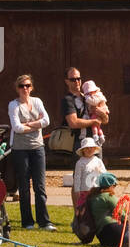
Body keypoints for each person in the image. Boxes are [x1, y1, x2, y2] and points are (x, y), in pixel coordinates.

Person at [7, 74, 55, 231]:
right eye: (21, 86)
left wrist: (28, 124)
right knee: (24, 187)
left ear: (31, 87)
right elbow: (17, 128)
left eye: (27, 85)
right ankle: (27, 222)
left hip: (38, 148)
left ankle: (44, 221)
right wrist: (37, 124)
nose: (25, 88)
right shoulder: (13, 105)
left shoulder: (37, 101)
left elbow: (46, 121)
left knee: (40, 186)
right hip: (20, 150)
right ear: (17, 88)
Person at [60, 67, 99, 150]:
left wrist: (102, 113)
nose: (77, 82)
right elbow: (73, 123)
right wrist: (94, 122)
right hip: (79, 143)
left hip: (95, 141)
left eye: (78, 78)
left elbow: (105, 119)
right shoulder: (67, 100)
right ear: (67, 81)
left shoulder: (89, 97)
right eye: (73, 80)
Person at [72, 137, 105, 209]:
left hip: (96, 190)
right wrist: (77, 191)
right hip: (84, 191)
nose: (89, 150)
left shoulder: (98, 161)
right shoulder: (80, 163)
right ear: (83, 150)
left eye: (91, 147)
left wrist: (100, 171)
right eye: (87, 148)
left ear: (94, 149)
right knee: (85, 210)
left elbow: (105, 174)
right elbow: (77, 178)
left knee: (96, 209)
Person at [81, 79, 110, 147]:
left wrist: (102, 113)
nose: (90, 94)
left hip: (97, 114)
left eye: (91, 91)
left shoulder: (97, 96)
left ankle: (96, 136)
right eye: (88, 93)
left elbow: (106, 120)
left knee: (95, 125)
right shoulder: (85, 98)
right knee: (97, 126)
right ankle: (100, 136)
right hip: (83, 137)